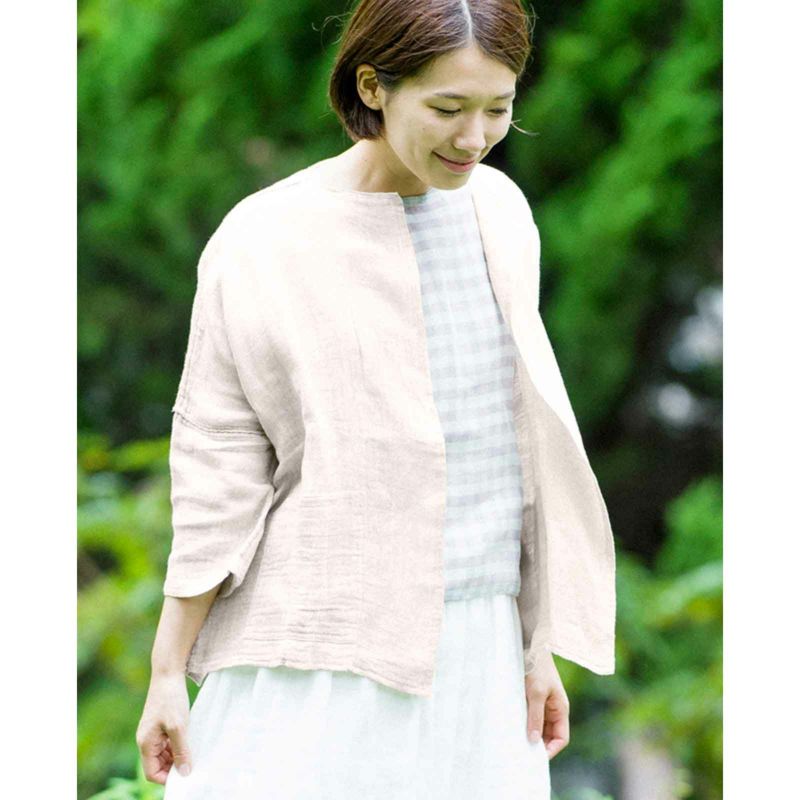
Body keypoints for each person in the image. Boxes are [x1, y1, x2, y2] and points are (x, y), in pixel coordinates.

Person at [135, 1, 617, 797]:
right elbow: (220, 463)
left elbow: (514, 445)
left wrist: (536, 647)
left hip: (482, 657)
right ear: (373, 87)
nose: (475, 137)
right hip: (321, 653)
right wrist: (166, 670)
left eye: (498, 108)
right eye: (448, 108)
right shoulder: (266, 237)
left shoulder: (501, 212)